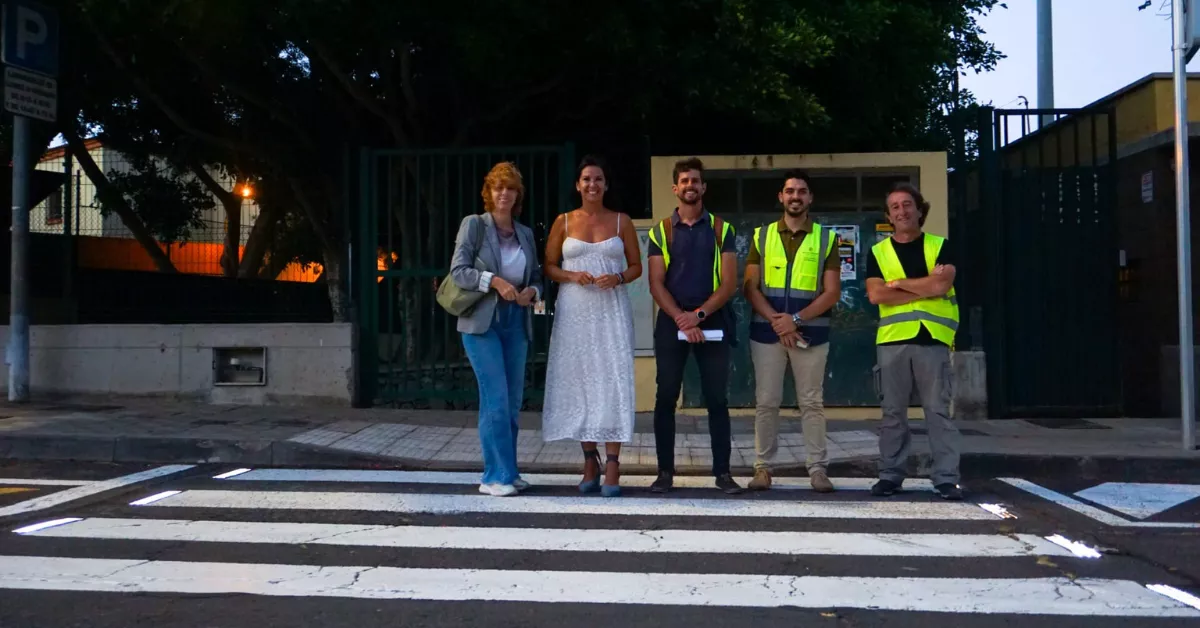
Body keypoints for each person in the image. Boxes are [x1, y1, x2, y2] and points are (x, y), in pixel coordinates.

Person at [542, 155, 642, 497]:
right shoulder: (564, 222)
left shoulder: (621, 221)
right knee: (581, 381)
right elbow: (549, 265)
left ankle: (613, 462)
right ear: (578, 185)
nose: (592, 185)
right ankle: (589, 459)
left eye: (598, 179)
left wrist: (616, 277)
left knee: (612, 379)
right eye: (586, 179)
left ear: (606, 185)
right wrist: (572, 275)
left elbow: (635, 267)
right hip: (574, 311)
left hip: (611, 310)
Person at [647, 157, 742, 495]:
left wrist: (697, 317)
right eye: (684, 181)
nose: (690, 186)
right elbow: (656, 283)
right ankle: (664, 473)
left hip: (711, 321)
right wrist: (681, 319)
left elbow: (729, 283)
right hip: (673, 321)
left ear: (704, 188)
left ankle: (723, 474)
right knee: (665, 396)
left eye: (695, 181)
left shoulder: (722, 230)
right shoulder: (661, 231)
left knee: (717, 398)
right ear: (676, 188)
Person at [449, 162, 543, 497]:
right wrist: (494, 281)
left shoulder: (525, 233)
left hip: (516, 322)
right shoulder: (474, 226)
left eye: (510, 188)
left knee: (513, 401)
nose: (504, 193)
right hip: (481, 324)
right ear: (488, 193)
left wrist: (534, 292)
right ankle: (493, 476)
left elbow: (535, 277)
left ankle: (510, 471)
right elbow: (459, 271)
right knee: (496, 400)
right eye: (497, 187)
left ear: (518, 195)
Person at [743, 171, 840, 492]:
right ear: (780, 197)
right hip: (767, 333)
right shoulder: (762, 236)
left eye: (801, 191)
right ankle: (762, 469)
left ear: (810, 198)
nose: (795, 196)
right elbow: (750, 287)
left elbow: (831, 292)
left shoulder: (827, 239)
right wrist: (777, 321)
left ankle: (817, 470)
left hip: (809, 334)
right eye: (789, 191)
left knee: (811, 402)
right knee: (766, 402)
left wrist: (794, 319)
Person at [864, 183, 962, 500]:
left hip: (933, 339)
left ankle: (946, 478)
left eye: (907, 205)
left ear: (920, 210)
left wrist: (902, 284)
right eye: (895, 207)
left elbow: (942, 285)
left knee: (938, 412)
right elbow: (877, 294)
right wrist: (925, 284)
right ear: (888, 216)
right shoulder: (878, 252)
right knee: (893, 414)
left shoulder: (940, 245)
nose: (902, 211)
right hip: (893, 342)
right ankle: (891, 476)